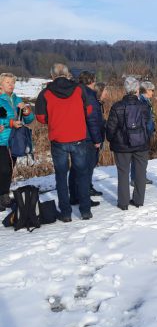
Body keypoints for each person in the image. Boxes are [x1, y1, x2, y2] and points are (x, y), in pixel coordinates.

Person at [35, 63, 93, 222]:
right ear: (67, 74)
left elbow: (40, 117)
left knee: (61, 176)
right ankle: (85, 210)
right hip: (78, 137)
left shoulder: (45, 93)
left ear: (52, 75)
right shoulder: (79, 89)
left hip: (58, 139)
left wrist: (53, 119)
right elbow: (88, 110)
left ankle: (66, 213)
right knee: (82, 174)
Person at [106, 77, 150, 211]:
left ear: (125, 89)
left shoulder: (117, 106)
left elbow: (111, 128)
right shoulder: (144, 106)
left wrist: (111, 139)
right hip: (141, 144)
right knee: (141, 173)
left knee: (123, 173)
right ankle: (138, 200)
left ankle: (123, 202)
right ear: (137, 90)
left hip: (122, 145)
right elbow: (148, 126)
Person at [69, 71, 104, 206]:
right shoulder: (89, 95)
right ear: (91, 81)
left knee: (75, 168)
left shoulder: (74, 92)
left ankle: (74, 196)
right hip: (88, 137)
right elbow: (92, 119)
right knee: (86, 169)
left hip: (74, 134)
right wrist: (97, 139)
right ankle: (84, 198)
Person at [0, 73, 34, 210]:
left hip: (15, 140)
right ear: (0, 85)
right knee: (4, 169)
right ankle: (3, 196)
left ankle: (3, 196)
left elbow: (29, 120)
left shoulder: (17, 99)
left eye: (13, 82)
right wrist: (11, 123)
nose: (11, 85)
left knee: (9, 169)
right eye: (7, 82)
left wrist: (26, 111)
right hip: (2, 140)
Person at [131, 81, 156, 186]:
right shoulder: (141, 101)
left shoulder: (146, 101)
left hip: (146, 133)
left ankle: (141, 176)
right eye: (152, 90)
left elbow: (150, 118)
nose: (153, 92)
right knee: (138, 157)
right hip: (141, 134)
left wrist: (152, 129)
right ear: (147, 90)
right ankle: (134, 179)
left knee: (143, 157)